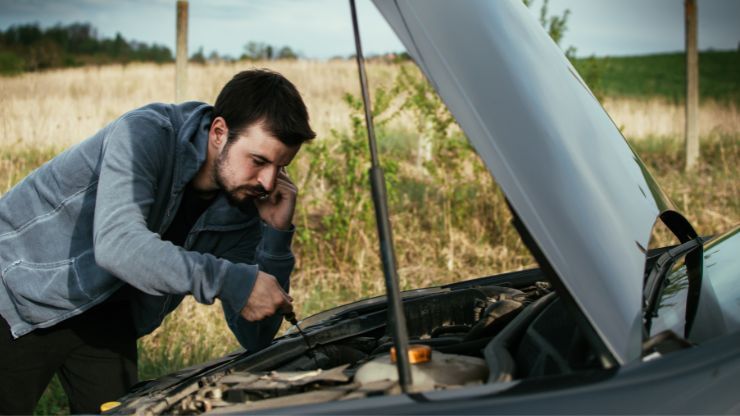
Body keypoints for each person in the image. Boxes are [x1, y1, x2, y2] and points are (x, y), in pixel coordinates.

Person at [0, 68, 316, 414]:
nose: (268, 183)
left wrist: (275, 235)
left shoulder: (243, 208)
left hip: (107, 317)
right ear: (219, 132)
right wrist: (228, 280)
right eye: (259, 161)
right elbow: (118, 244)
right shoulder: (145, 134)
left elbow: (256, 337)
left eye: (280, 167)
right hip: (22, 293)